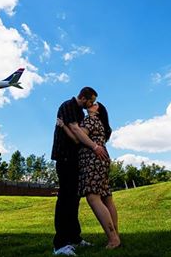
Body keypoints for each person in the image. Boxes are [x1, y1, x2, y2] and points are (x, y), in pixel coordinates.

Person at [51, 87, 109, 256]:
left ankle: (74, 238)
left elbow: (78, 137)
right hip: (65, 157)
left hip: (76, 160)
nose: (92, 104)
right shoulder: (68, 106)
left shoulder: (81, 113)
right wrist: (94, 146)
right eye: (91, 101)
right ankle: (60, 244)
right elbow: (76, 132)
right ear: (83, 98)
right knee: (65, 199)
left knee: (74, 199)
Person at [58, 101, 120, 250]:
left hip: (92, 161)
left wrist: (64, 126)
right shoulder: (101, 124)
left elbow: (76, 139)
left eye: (94, 104)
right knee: (106, 197)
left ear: (97, 110)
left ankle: (113, 240)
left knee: (93, 198)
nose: (91, 104)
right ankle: (116, 236)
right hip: (102, 160)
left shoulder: (91, 120)